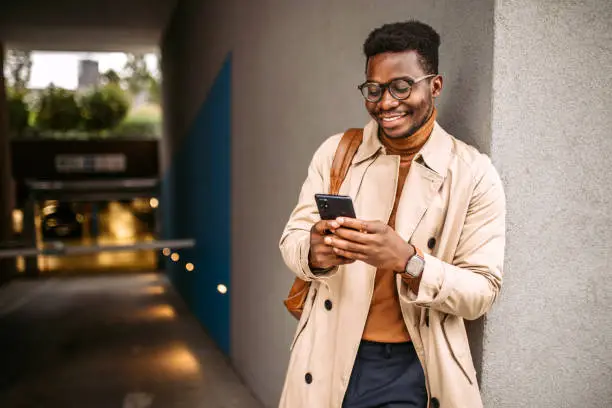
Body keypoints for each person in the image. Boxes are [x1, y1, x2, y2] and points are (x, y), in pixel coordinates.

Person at [279, 20, 505, 408]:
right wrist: (314, 252)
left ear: (434, 85)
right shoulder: (336, 153)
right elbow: (293, 238)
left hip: (412, 368)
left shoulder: (472, 172)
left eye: (401, 86)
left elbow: (481, 293)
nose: (385, 102)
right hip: (328, 352)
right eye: (374, 89)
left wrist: (410, 263)